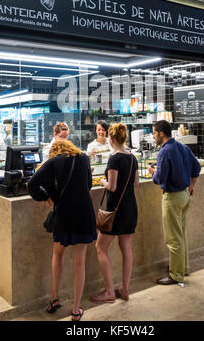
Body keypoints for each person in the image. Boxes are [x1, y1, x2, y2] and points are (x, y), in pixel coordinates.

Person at [28, 139, 97, 321]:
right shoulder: (83, 158)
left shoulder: (53, 161)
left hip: (64, 214)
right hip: (84, 213)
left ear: (54, 150)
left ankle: (54, 299)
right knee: (79, 262)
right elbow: (88, 184)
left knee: (57, 254)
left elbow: (32, 184)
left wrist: (47, 197)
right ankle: (75, 309)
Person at [90, 123, 139, 304]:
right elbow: (136, 183)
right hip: (130, 208)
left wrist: (102, 181)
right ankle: (124, 290)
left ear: (111, 139)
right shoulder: (133, 158)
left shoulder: (114, 158)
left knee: (100, 247)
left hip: (114, 210)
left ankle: (109, 292)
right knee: (126, 248)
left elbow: (112, 186)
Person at [148, 120, 201, 285]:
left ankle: (176, 275)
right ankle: (183, 268)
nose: (153, 136)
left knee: (173, 239)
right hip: (185, 196)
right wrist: (191, 184)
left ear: (161, 134)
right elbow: (196, 167)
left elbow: (160, 179)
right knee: (181, 234)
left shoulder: (165, 151)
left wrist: (153, 172)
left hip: (172, 198)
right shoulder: (182, 147)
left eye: (154, 133)